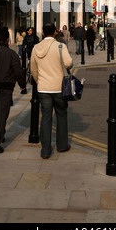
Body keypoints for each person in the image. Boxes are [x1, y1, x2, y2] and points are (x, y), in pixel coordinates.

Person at [30, 23, 73, 159]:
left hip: (43, 88)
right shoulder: (60, 46)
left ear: (42, 33)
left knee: (46, 118)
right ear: (55, 33)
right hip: (59, 87)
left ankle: (45, 150)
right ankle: (62, 145)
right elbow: (68, 63)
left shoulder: (36, 48)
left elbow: (33, 69)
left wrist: (39, 81)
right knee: (61, 115)